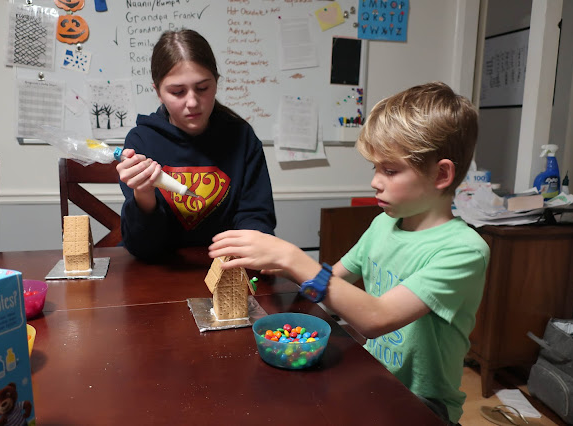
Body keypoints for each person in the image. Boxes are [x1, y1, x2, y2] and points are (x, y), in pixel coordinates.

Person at [208, 82, 489, 425]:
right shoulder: (383, 225)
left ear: (441, 174)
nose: (375, 181)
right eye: (375, 168)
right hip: (375, 377)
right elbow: (331, 279)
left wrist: (292, 258)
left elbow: (376, 319)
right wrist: (281, 269)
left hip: (423, 404)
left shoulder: (463, 251)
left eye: (390, 170)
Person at [117, 29, 276, 261]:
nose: (192, 102)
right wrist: (144, 194)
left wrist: (256, 246)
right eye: (177, 92)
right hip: (160, 270)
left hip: (226, 265)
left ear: (216, 83)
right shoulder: (141, 142)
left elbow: (256, 217)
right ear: (158, 92)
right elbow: (143, 249)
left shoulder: (241, 137)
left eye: (202, 88)